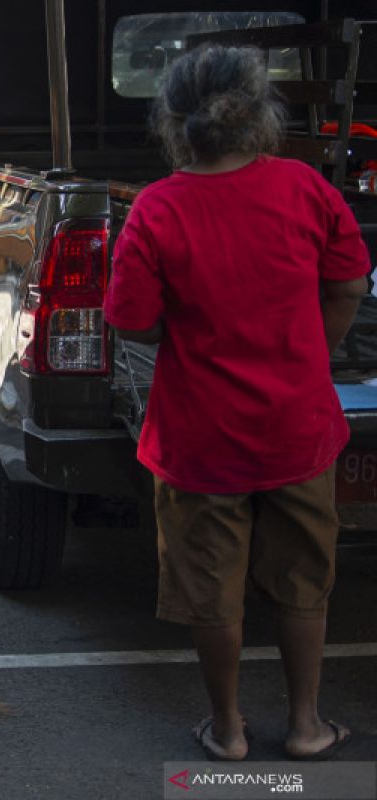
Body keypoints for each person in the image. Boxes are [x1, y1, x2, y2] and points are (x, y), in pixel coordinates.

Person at [105, 45, 371, 762]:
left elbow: (129, 319)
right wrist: (316, 346)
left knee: (211, 591)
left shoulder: (158, 208)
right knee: (302, 580)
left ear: (175, 122)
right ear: (259, 114)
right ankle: (308, 725)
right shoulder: (304, 187)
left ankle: (227, 731)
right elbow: (349, 282)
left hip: (199, 439)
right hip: (298, 427)